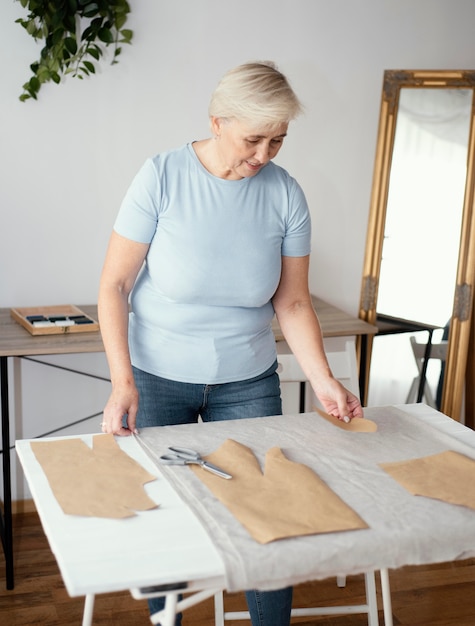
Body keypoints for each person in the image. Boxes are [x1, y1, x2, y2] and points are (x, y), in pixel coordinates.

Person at [98, 60, 363, 626]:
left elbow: (291, 302)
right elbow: (115, 285)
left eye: (278, 140)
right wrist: (122, 383)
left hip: (246, 378)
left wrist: (325, 383)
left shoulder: (285, 193)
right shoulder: (161, 175)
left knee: (266, 512)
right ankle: (165, 617)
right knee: (163, 506)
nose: (265, 155)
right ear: (217, 122)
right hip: (156, 375)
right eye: (254, 139)